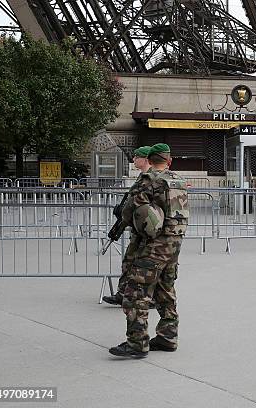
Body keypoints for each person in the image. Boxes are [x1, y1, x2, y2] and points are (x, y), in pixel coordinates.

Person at [109, 143, 189, 358]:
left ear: (150, 160)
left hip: (154, 244)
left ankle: (137, 343)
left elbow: (129, 210)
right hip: (175, 242)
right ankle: (168, 336)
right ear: (169, 161)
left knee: (136, 291)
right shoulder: (178, 180)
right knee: (165, 289)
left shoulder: (149, 180)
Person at [103, 146, 152, 306]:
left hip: (147, 230)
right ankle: (123, 293)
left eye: (136, 157)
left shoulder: (152, 178)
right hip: (137, 228)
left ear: (145, 159)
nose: (133, 160)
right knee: (128, 262)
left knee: (146, 265)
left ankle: (149, 298)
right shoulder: (142, 177)